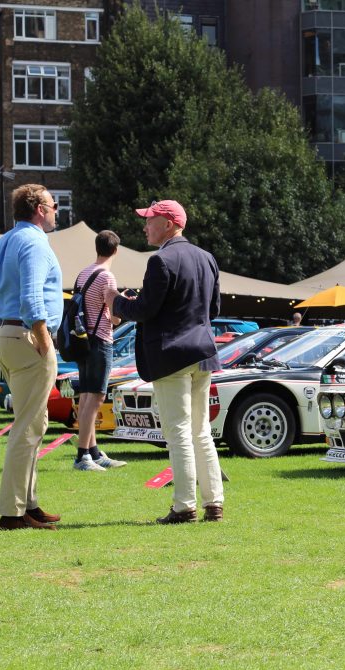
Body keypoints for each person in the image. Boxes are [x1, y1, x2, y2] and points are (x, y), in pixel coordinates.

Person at [105, 200, 224, 524]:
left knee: (179, 431)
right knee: (201, 430)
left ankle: (185, 506)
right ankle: (214, 503)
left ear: (168, 224)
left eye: (150, 220)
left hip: (172, 355)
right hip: (202, 352)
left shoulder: (161, 260)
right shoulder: (207, 258)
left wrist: (116, 301)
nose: (145, 226)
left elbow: (145, 310)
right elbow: (212, 310)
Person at [0, 184, 62, 531]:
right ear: (39, 208)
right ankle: (13, 513)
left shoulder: (5, 240)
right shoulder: (36, 243)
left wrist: (7, 310)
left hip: (4, 334)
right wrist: (43, 339)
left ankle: (29, 504)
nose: (57, 211)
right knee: (28, 426)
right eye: (53, 205)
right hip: (28, 337)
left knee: (35, 422)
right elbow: (31, 298)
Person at [73, 230, 127, 472]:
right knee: (96, 398)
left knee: (86, 396)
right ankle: (82, 455)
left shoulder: (83, 273)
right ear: (116, 250)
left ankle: (93, 452)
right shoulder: (107, 277)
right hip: (100, 341)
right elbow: (115, 318)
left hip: (82, 341)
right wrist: (124, 301)